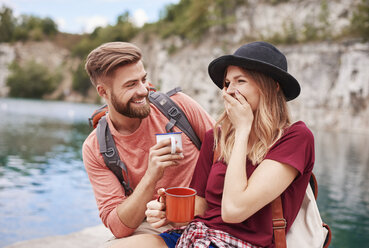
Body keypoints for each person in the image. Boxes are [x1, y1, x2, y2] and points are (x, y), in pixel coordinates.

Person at [110, 41, 315, 248]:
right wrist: (169, 210)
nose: (229, 91)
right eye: (227, 83)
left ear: (272, 85)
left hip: (245, 243)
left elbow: (234, 210)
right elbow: (202, 203)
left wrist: (243, 130)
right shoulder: (215, 137)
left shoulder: (296, 137)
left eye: (240, 81)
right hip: (199, 234)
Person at [82, 41, 214, 239]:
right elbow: (118, 226)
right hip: (157, 227)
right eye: (131, 84)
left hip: (209, 216)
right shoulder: (96, 147)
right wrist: (152, 175)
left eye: (143, 79)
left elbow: (228, 153)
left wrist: (199, 205)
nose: (143, 90)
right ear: (103, 92)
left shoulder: (178, 107)